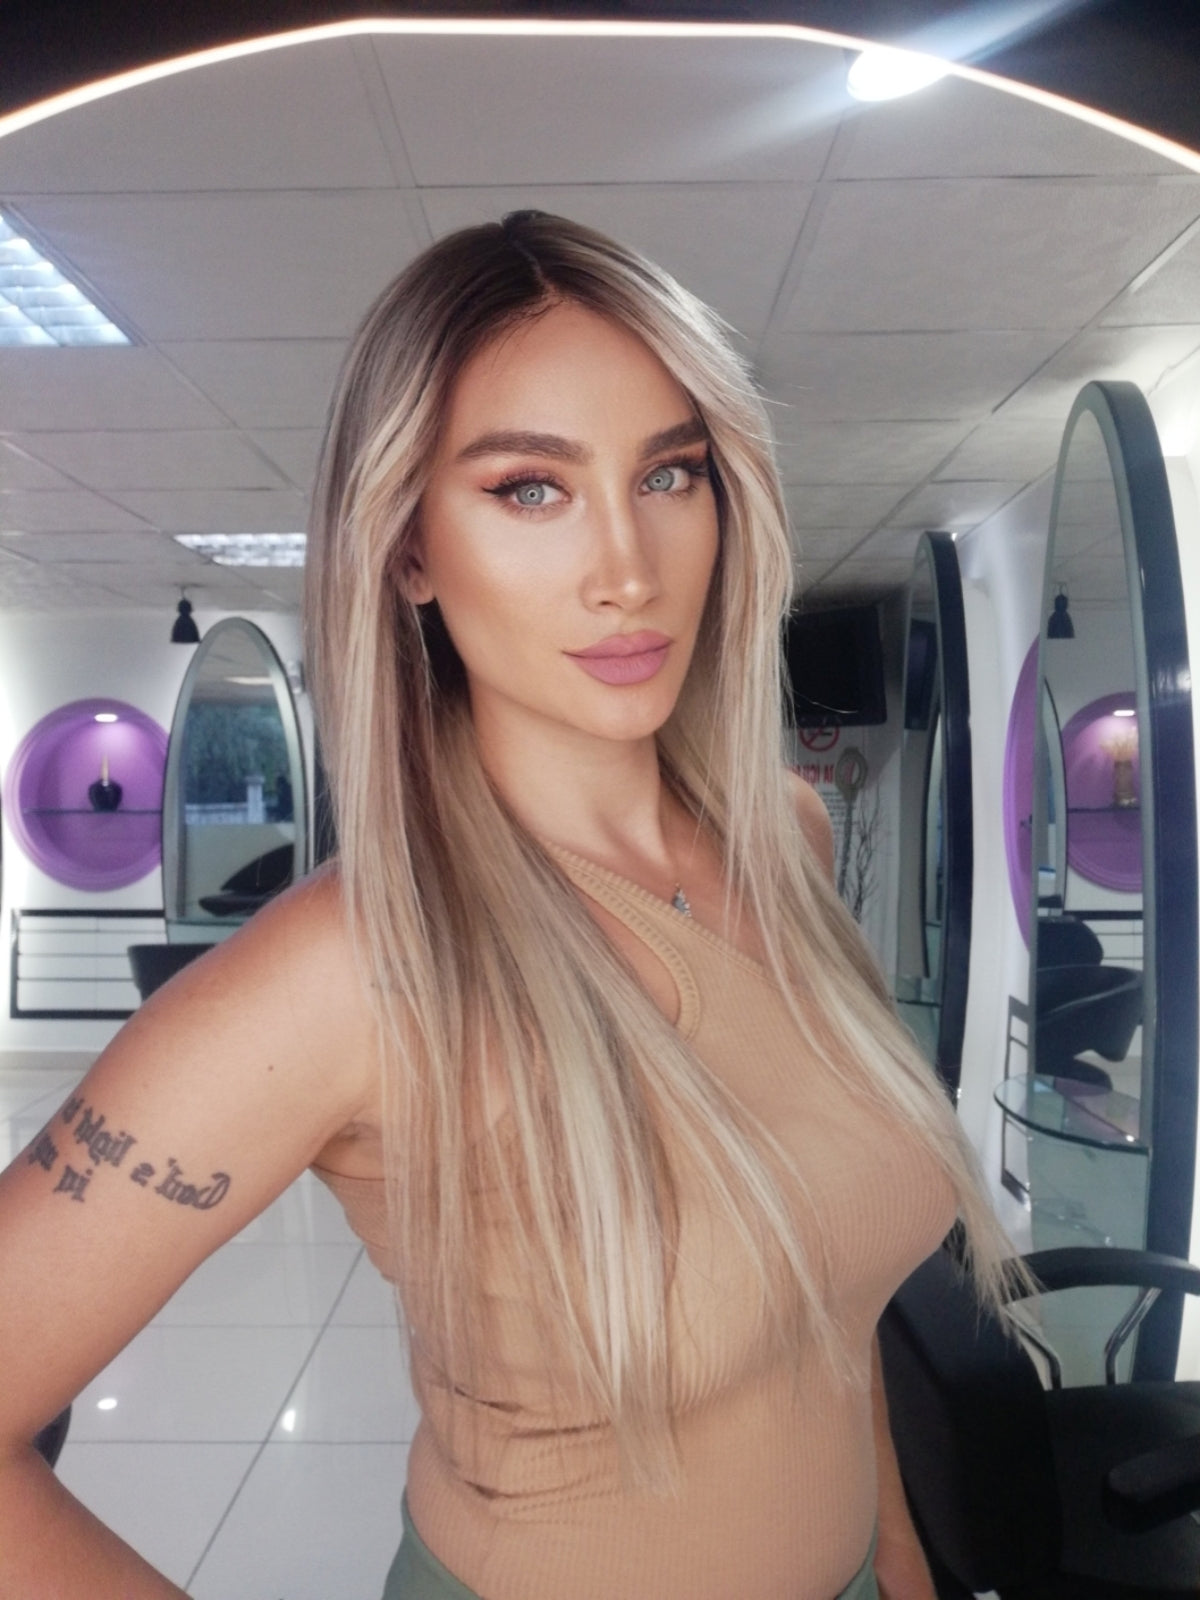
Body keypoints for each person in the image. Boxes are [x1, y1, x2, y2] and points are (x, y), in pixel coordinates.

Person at [0, 212, 1017, 1600]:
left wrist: (897, 1563)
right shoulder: (351, 970)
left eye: (669, 473)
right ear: (407, 548)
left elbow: (829, 1315)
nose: (628, 568)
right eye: (530, 488)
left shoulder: (785, 833)